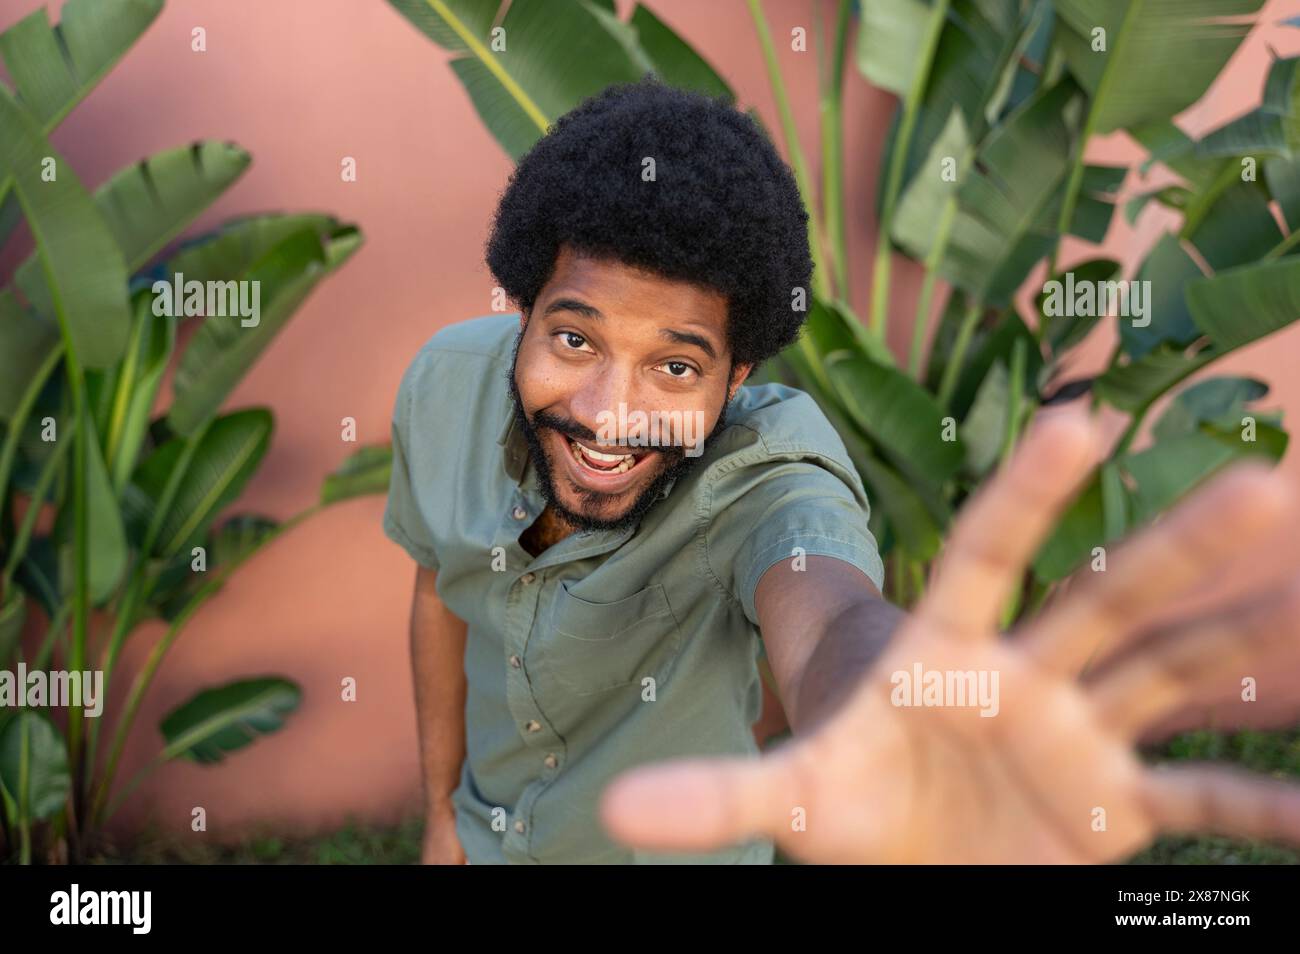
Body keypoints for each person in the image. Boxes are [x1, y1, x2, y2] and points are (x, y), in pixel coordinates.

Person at [384, 78, 1300, 865]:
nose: (606, 413)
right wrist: (438, 815)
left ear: (736, 376)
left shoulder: (768, 475)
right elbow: (439, 588)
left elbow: (830, 625)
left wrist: (907, 714)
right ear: (524, 308)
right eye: (575, 338)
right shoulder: (444, 386)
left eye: (675, 365)